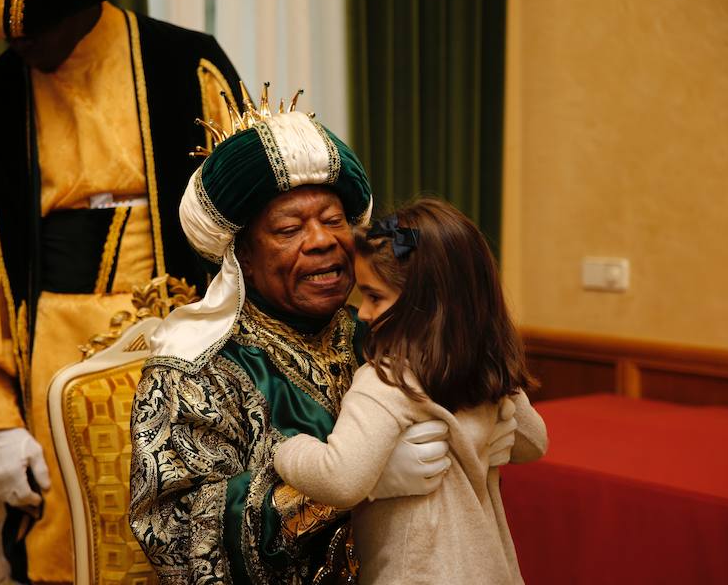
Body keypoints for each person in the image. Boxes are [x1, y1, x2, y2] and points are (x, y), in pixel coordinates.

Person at [0, 0, 241, 581]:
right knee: (67, 549)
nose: (21, 39)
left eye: (38, 21)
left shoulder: (187, 68)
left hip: (185, 350)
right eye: (11, 29)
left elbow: (249, 224)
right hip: (50, 365)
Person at [129, 99, 519, 583]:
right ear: (242, 257)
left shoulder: (383, 329)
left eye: (334, 221)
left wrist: (487, 427)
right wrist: (347, 489)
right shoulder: (194, 368)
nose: (321, 241)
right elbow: (175, 535)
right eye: (290, 228)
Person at [273, 198, 549, 584]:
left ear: (426, 303)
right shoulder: (485, 365)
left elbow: (341, 480)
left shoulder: (387, 378)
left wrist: (287, 450)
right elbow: (534, 443)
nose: (364, 314)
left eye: (375, 297)